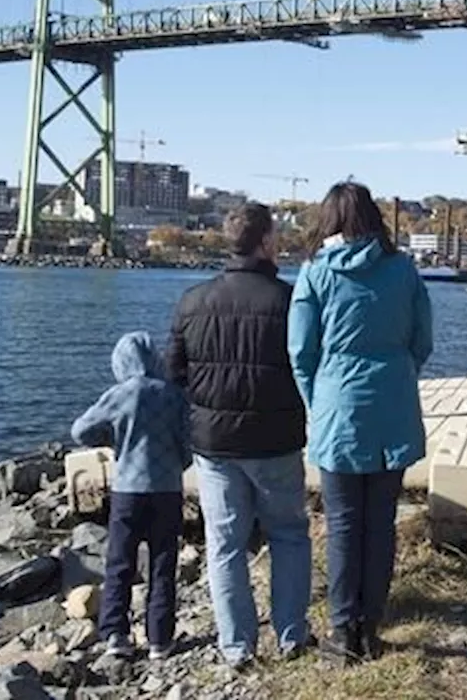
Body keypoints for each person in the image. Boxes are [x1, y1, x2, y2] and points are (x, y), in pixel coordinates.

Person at [288, 182, 433, 667]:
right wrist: (396, 372)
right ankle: (371, 626)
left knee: (343, 523)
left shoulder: (314, 275)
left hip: (338, 405)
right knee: (381, 523)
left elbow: (300, 352)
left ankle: (341, 628)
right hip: (393, 404)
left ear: (328, 221)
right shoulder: (403, 270)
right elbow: (422, 341)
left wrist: (319, 398)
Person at [166, 202, 312, 670]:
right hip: (276, 438)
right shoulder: (290, 302)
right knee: (288, 535)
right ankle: (291, 636)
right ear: (266, 243)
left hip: (214, 443)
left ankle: (237, 646)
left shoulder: (192, 301)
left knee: (225, 544)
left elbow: (175, 371)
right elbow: (309, 366)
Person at [70, 332, 191, 661]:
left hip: (128, 490)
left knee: (120, 563)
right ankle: (160, 639)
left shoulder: (118, 394)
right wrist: (180, 462)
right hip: (167, 489)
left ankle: (116, 634)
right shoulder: (173, 394)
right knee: (163, 564)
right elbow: (187, 441)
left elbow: (80, 430)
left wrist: (112, 440)